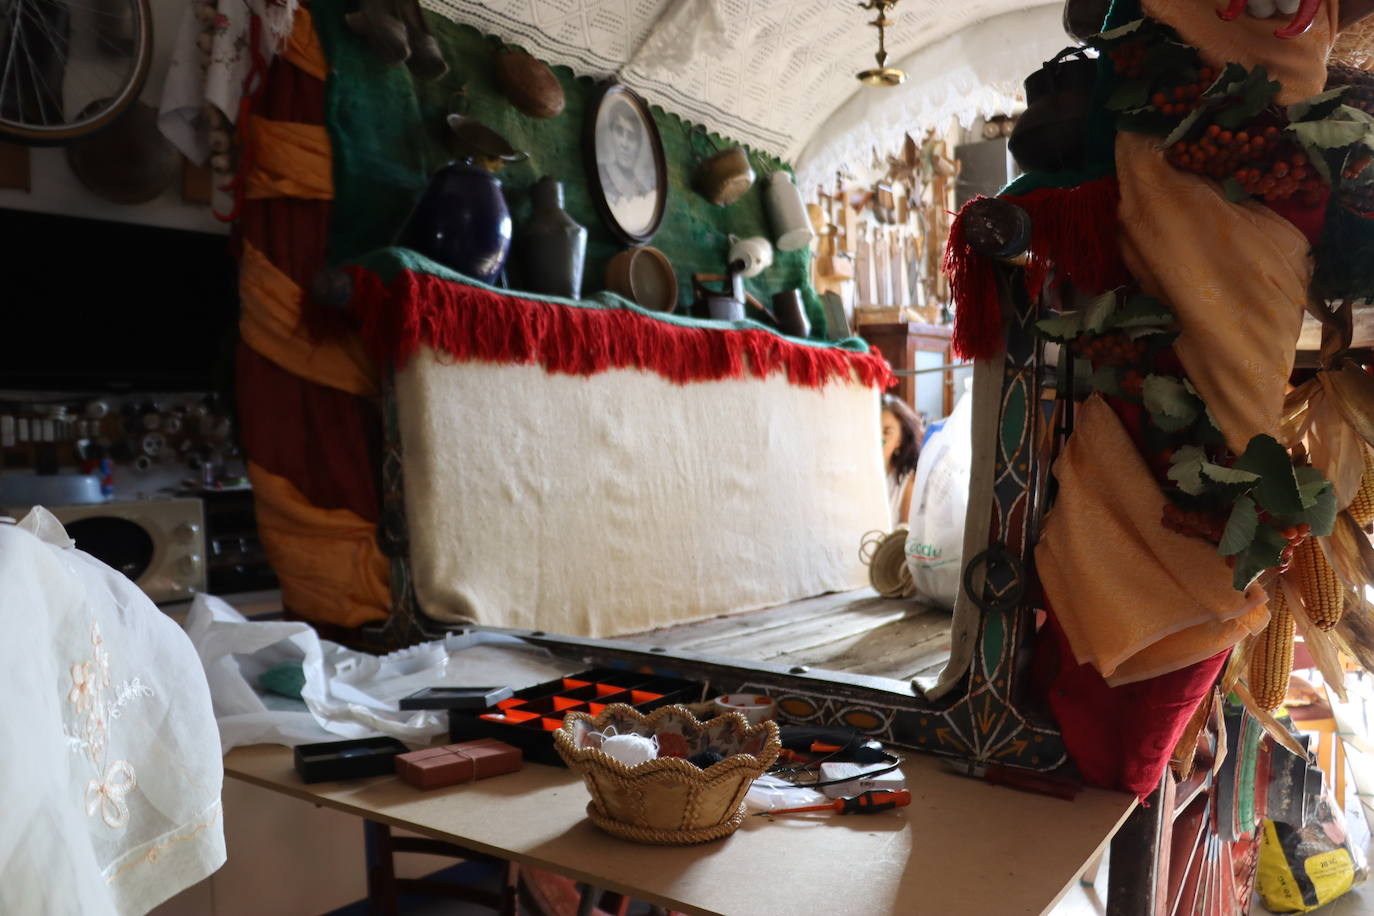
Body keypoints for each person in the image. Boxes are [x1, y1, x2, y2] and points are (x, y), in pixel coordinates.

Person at [597, 97, 657, 233]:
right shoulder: (602, 174)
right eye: (619, 132)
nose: (624, 144)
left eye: (631, 137)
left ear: (639, 144)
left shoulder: (644, 191)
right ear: (611, 135)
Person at [880, 394, 922, 528]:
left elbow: (904, 536)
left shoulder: (908, 481)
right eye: (874, 429)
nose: (878, 438)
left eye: (886, 432)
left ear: (900, 440)